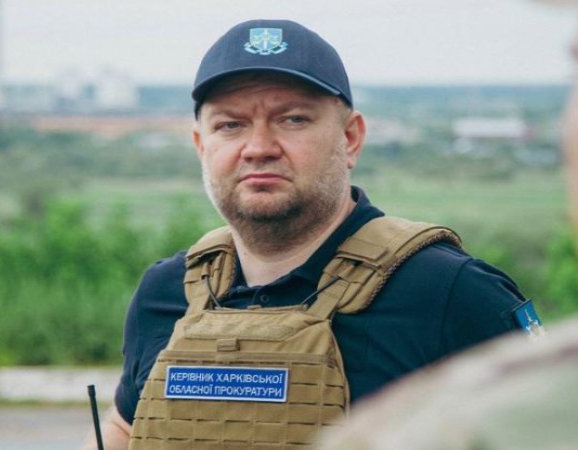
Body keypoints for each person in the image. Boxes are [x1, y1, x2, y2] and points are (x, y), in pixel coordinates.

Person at [81, 19, 540, 450]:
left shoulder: (450, 293)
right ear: (202, 146)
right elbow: (126, 427)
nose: (259, 148)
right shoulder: (166, 292)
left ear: (350, 139)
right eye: (230, 125)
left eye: (293, 119)